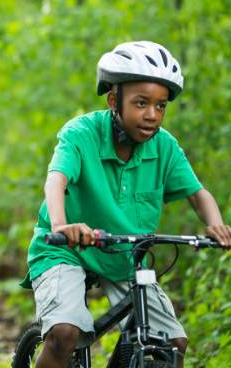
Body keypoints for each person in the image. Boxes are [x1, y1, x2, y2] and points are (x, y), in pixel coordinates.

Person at [22, 40, 231, 368]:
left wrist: (214, 223)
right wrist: (62, 227)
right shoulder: (81, 133)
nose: (152, 115)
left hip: (125, 255)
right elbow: (56, 180)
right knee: (64, 332)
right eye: (141, 103)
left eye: (160, 106)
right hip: (66, 247)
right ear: (113, 100)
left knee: (171, 343)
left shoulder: (164, 147)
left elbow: (197, 193)